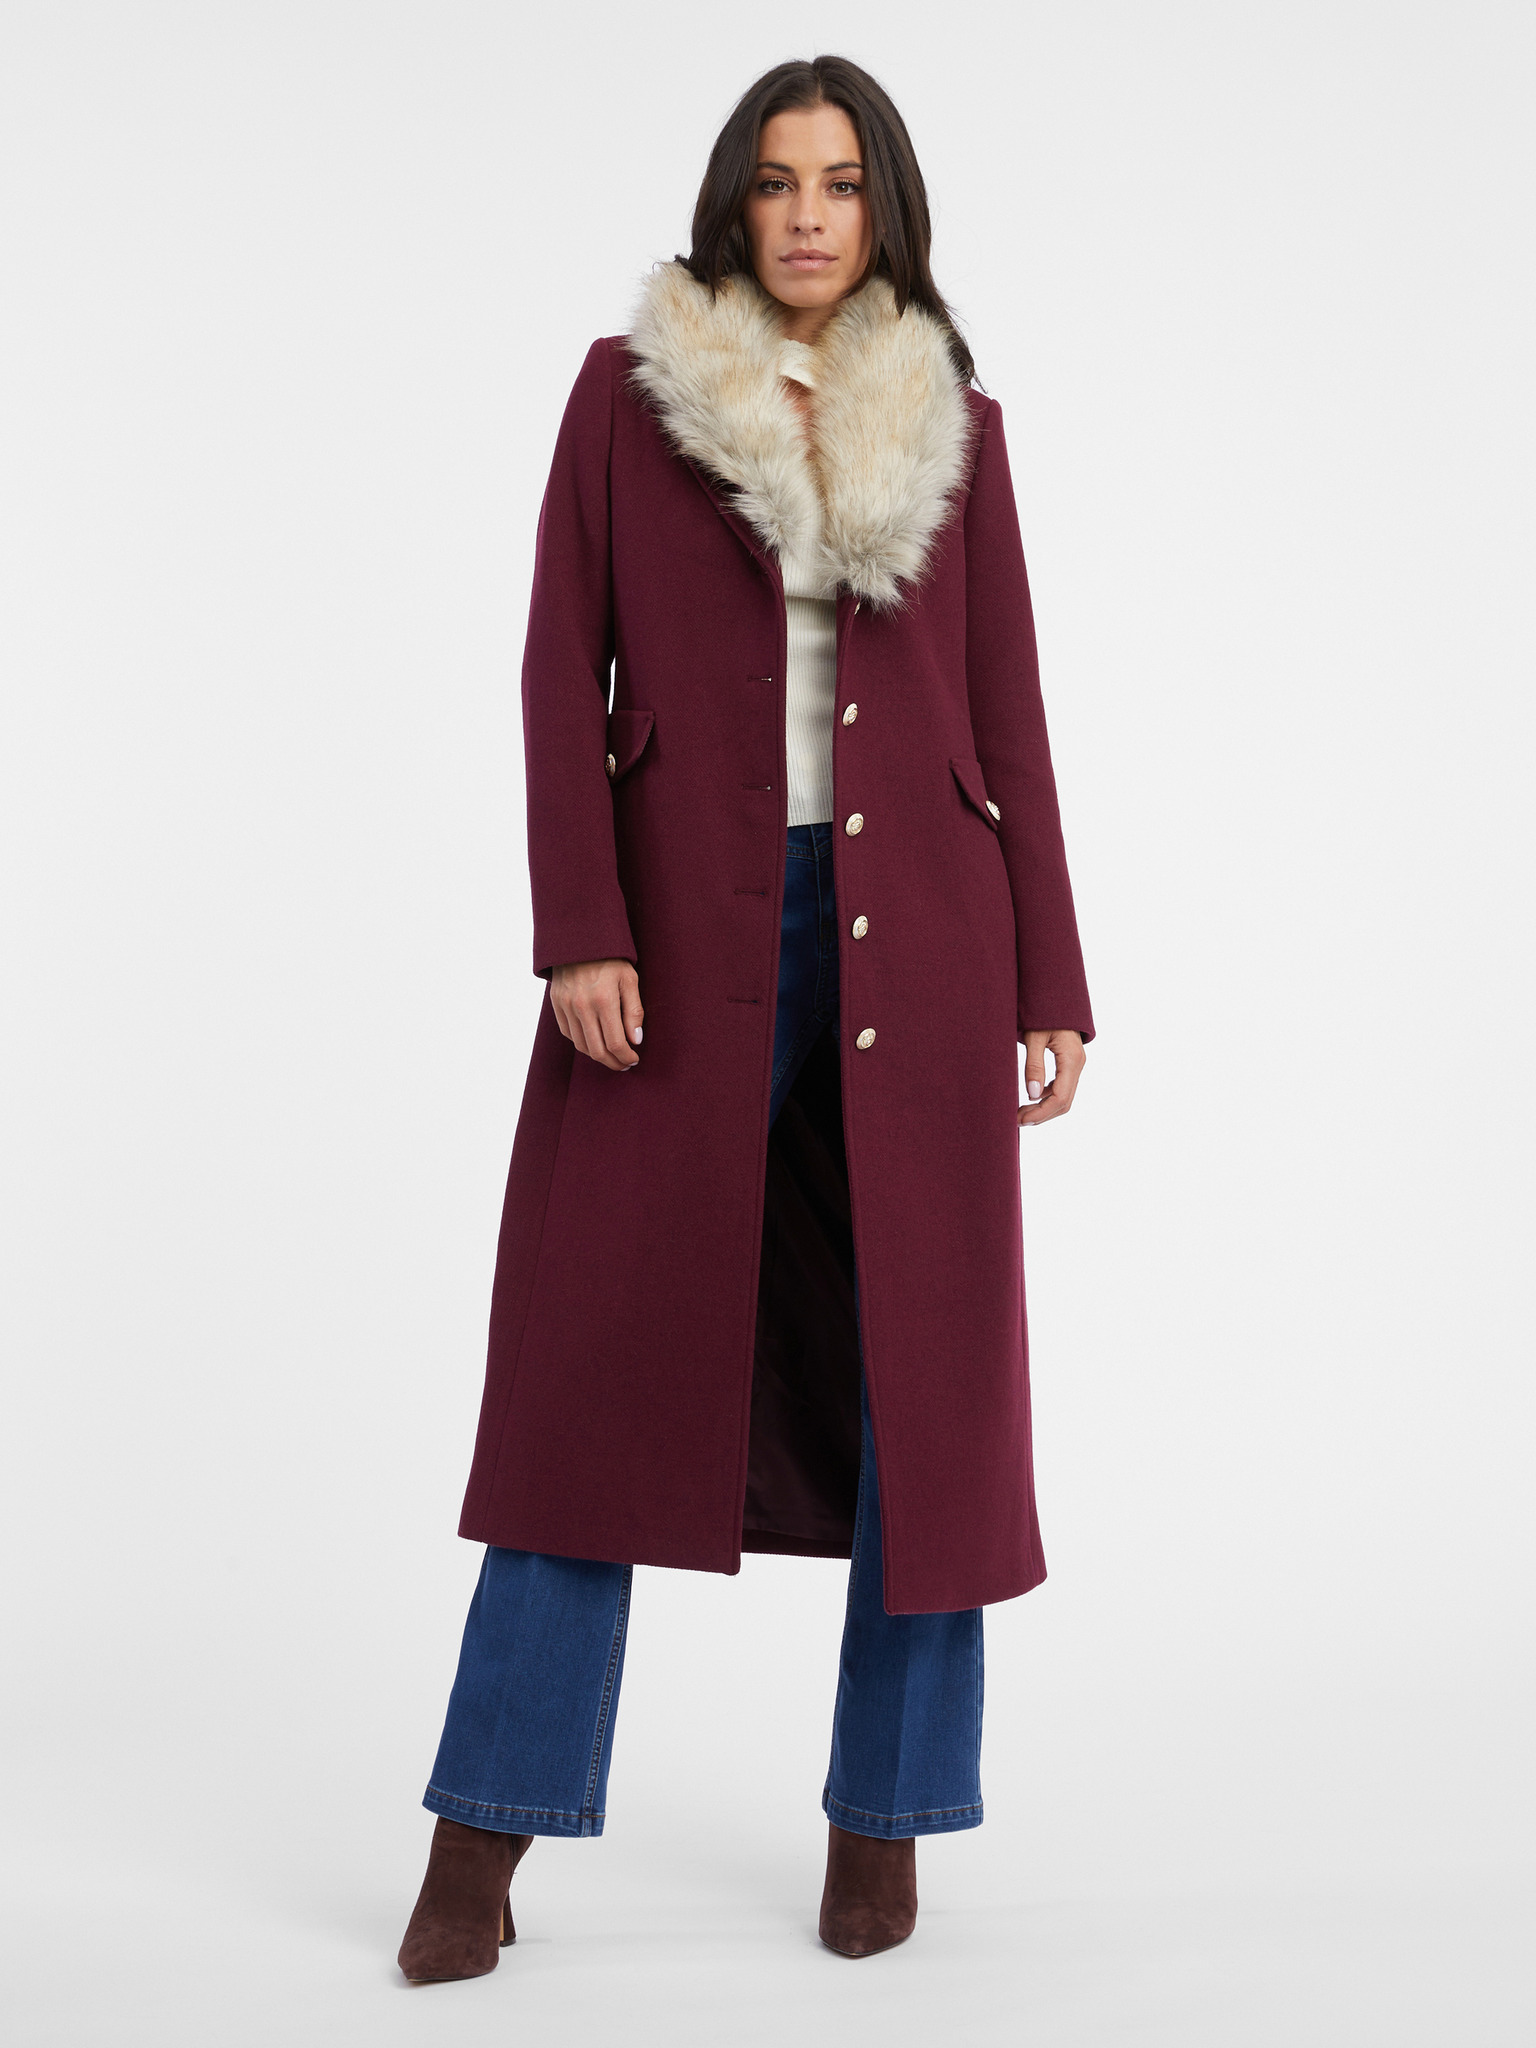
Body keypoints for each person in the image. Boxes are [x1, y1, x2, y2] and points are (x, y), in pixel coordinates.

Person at [397, 53, 1093, 1981]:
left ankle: (887, 1829)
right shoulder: (632, 401)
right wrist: (578, 926)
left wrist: (1051, 971)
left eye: (842, 183)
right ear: (734, 200)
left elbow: (1009, 711)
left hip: (921, 944)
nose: (807, 214)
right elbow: (561, 667)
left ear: (885, 211)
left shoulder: (959, 423)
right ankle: (480, 1839)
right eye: (779, 181)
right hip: (676, 942)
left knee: (923, 1397)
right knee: (589, 1378)